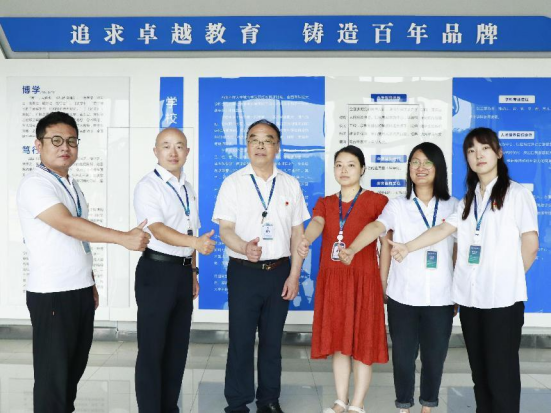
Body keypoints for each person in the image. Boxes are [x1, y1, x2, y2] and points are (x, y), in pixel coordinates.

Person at [388, 128, 539, 413]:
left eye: (485, 148)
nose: (478, 155)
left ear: (499, 153)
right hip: (471, 301)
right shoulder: (469, 199)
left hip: (502, 302)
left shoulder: (516, 194)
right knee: (480, 375)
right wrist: (408, 246)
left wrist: (508, 280)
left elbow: (530, 245)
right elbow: (443, 229)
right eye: (471, 150)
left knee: (501, 375)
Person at [17, 111, 150, 413]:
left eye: (72, 141)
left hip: (78, 290)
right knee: (54, 381)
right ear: (38, 145)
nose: (65, 147)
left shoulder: (70, 184)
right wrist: (123, 238)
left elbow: (78, 241)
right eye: (56, 140)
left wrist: (89, 282)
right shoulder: (35, 184)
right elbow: (69, 225)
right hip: (53, 293)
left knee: (71, 376)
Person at [212, 119, 310, 413]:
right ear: (246, 145)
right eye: (254, 139)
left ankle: (268, 400)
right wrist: (244, 246)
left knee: (272, 341)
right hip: (243, 271)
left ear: (277, 147)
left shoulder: (290, 184)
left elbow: (298, 234)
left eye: (268, 140)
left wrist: (294, 275)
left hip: (279, 272)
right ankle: (237, 402)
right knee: (240, 340)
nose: (260, 146)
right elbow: (225, 230)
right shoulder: (233, 183)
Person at [360, 142, 458, 413]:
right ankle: (403, 406)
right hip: (403, 296)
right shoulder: (397, 205)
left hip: (441, 296)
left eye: (427, 162)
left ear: (439, 168)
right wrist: (355, 247)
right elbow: (379, 227)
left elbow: (458, 251)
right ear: (409, 168)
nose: (420, 167)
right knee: (403, 358)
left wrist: (459, 290)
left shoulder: (454, 206)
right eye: (415, 162)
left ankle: (428, 406)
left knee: (434, 357)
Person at [297, 145, 389, 413]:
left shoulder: (377, 201)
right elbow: (317, 223)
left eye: (351, 165)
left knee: (362, 343)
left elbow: (386, 243)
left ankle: (357, 404)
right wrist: (306, 239)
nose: (344, 170)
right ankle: (340, 400)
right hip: (334, 281)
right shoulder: (325, 203)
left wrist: (382, 281)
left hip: (364, 281)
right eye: (339, 165)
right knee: (339, 343)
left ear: (362, 169)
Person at [133, 127, 216, 412]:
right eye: (166, 146)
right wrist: (195, 243)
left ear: (187, 152)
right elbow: (157, 229)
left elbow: (191, 230)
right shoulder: (148, 186)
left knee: (177, 348)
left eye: (179, 146)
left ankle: (170, 407)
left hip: (182, 273)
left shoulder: (187, 188)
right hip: (156, 271)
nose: (173, 152)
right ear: (155, 151)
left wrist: (193, 272)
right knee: (152, 349)